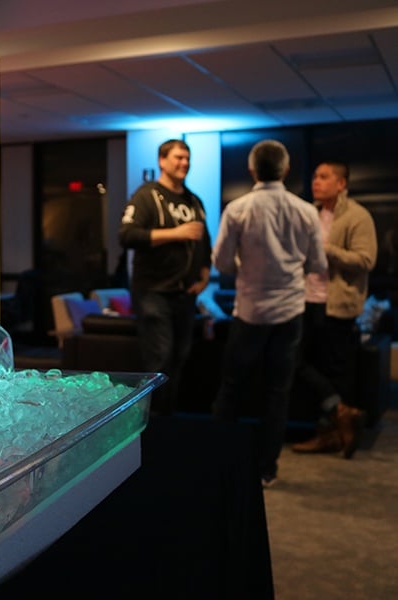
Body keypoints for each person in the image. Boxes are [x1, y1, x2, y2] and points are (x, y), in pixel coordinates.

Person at [212, 139, 327, 488]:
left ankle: (218, 460)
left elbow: (220, 262)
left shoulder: (238, 208)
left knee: (232, 388)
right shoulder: (306, 211)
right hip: (290, 311)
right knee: (278, 392)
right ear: (286, 170)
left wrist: (245, 266)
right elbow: (318, 264)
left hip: (249, 310)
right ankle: (266, 469)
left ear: (251, 170)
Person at [119, 139, 212, 416]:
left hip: (185, 294)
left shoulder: (194, 200)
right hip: (153, 292)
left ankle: (169, 421)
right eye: (178, 158)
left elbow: (204, 241)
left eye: (187, 158)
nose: (184, 163)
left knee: (179, 360)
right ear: (162, 161)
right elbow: (126, 235)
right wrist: (176, 233)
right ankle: (154, 427)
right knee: (159, 360)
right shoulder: (147, 195)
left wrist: (205, 273)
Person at [291, 161, 376, 458]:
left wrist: (327, 248)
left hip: (338, 304)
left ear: (341, 184)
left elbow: (366, 260)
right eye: (315, 176)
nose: (317, 181)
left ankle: (332, 435)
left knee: (336, 370)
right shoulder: (310, 213)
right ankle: (341, 412)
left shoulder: (357, 216)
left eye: (324, 177)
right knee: (297, 361)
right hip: (307, 300)